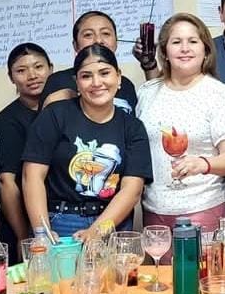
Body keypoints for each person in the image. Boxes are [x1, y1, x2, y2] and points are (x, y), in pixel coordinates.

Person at [22, 44, 152, 241]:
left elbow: (132, 190)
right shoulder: (55, 115)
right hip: (60, 221)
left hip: (112, 222)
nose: (96, 82)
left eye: (104, 73)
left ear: (118, 77)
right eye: (86, 76)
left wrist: (97, 231)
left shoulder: (133, 127)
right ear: (77, 82)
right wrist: (42, 232)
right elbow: (32, 176)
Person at [136, 13, 225, 243]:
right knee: (158, 267)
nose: (185, 48)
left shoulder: (220, 94)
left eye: (193, 41)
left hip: (203, 206)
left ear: (206, 50)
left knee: (201, 268)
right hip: (154, 209)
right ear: (164, 51)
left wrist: (203, 164)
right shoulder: (147, 93)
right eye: (176, 42)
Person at [0, 42, 52, 262]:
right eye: (21, 70)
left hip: (55, 217)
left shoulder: (62, 113)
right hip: (23, 224)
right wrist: (23, 235)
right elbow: (6, 182)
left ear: (51, 69)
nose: (32, 75)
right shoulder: (6, 122)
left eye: (38, 67)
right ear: (11, 77)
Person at [43, 10, 138, 113]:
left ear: (116, 42)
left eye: (106, 33)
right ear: (75, 45)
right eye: (88, 35)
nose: (98, 40)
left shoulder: (126, 85)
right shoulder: (58, 81)